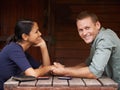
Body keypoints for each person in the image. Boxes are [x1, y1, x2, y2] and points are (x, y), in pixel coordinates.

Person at [52, 11, 120, 86]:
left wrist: (64, 71)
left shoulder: (105, 38)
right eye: (80, 30)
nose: (84, 33)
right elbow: (87, 64)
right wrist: (64, 69)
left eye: (87, 28)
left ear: (97, 25)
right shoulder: (97, 39)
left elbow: (94, 72)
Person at [0, 20, 52, 90]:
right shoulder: (14, 49)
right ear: (25, 36)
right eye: (36, 32)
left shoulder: (21, 52)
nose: (40, 34)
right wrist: (51, 68)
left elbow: (45, 70)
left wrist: (43, 47)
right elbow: (32, 74)